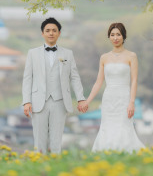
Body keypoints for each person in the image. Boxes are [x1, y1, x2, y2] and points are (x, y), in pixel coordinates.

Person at [22, 17, 87, 153]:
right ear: (42, 33)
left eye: (54, 30)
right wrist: (26, 101)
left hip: (60, 102)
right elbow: (27, 79)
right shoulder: (32, 53)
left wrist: (81, 98)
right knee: (39, 141)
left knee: (56, 141)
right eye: (48, 30)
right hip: (38, 102)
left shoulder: (68, 53)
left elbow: (74, 77)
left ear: (59, 33)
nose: (51, 33)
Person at [82, 22, 145, 152]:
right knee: (107, 127)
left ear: (123, 36)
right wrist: (88, 101)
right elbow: (99, 81)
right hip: (109, 99)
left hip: (124, 98)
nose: (115, 38)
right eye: (112, 35)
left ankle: (126, 156)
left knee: (124, 127)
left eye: (118, 34)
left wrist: (131, 102)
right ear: (109, 37)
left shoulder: (131, 56)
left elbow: (134, 80)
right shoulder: (104, 57)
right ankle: (106, 155)